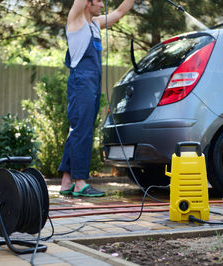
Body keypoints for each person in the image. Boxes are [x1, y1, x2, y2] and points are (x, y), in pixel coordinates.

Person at [58, 0, 135, 197]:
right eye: (98, 1)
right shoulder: (76, 20)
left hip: (91, 83)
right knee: (81, 130)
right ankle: (80, 183)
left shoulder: (95, 24)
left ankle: (67, 182)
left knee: (79, 129)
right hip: (80, 82)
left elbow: (119, 12)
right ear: (87, 4)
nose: (102, 5)